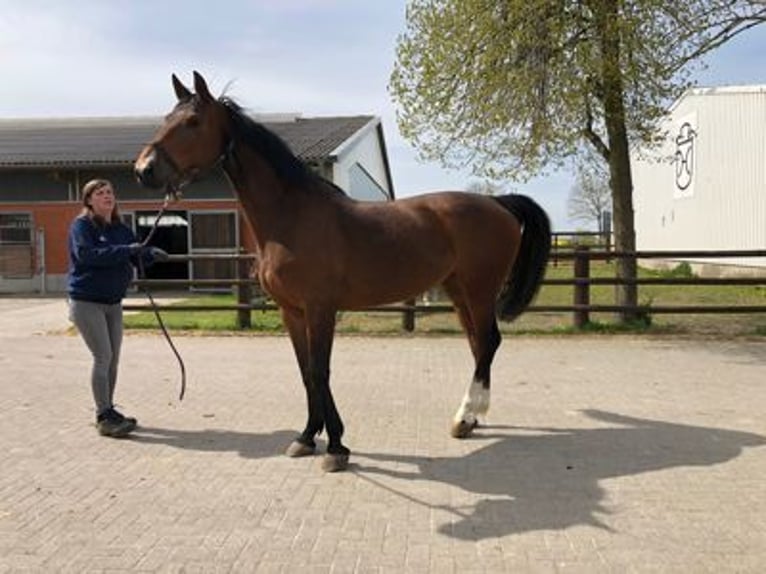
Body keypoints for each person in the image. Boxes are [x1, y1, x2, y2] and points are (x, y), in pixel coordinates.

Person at [67, 178, 168, 438]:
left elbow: (134, 253)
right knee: (102, 356)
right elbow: (87, 255)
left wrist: (150, 253)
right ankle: (103, 415)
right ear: (89, 200)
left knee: (113, 359)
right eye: (100, 193)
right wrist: (127, 250)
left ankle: (109, 410)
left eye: (110, 192)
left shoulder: (121, 228)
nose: (107, 196)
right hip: (87, 301)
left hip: (113, 303)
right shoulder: (82, 226)